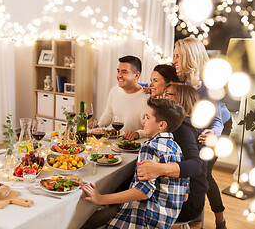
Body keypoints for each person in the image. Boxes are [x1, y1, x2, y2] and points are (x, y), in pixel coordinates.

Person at [81, 97, 188, 229]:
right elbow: (184, 194)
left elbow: (143, 191)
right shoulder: (176, 147)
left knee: (83, 223)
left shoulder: (150, 147)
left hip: (144, 218)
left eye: (147, 117)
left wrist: (101, 198)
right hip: (165, 219)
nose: (143, 121)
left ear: (162, 125)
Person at [173, 37, 229, 228]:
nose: (174, 61)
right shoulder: (182, 80)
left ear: (189, 57)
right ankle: (195, 214)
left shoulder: (209, 84)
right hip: (197, 127)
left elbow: (217, 120)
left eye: (178, 57)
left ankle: (220, 221)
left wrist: (214, 133)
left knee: (205, 174)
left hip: (217, 128)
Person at [138, 83, 208, 225]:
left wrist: (158, 169)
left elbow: (196, 165)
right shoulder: (185, 124)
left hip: (185, 202)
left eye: (167, 94)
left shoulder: (183, 128)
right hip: (185, 195)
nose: (162, 98)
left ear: (182, 99)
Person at [90, 55, 149, 140]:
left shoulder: (147, 98)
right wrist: (99, 125)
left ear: (136, 75)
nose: (119, 75)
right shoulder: (114, 90)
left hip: (134, 145)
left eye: (124, 72)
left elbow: (153, 130)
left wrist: (138, 134)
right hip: (114, 142)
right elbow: (108, 114)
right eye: (118, 71)